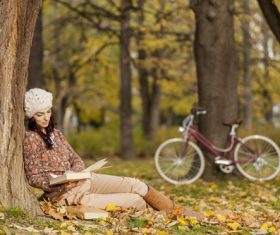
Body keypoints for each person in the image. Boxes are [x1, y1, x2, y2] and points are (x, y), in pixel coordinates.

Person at [23, 88, 202, 218]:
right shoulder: (31, 138)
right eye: (40, 114)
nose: (46, 117)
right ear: (31, 116)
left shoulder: (57, 134)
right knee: (135, 201)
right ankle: (171, 215)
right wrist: (56, 182)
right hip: (65, 195)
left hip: (84, 180)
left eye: (48, 111)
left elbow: (75, 158)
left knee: (137, 185)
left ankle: (179, 211)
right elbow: (33, 177)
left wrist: (76, 172)